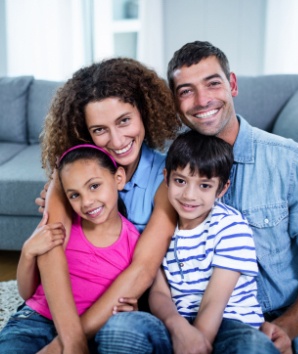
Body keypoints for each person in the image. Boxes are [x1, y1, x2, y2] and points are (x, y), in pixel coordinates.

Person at [165, 41, 298, 354]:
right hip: (191, 324)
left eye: (213, 84)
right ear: (176, 103)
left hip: (272, 322)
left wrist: (287, 328)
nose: (202, 100)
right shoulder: (168, 167)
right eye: (186, 90)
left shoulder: (292, 161)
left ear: (232, 85)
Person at [31, 58, 180, 353]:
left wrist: (68, 343)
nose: (117, 140)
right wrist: (69, 336)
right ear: (86, 131)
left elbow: (143, 268)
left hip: (121, 311)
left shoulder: (168, 178)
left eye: (124, 121)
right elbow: (50, 249)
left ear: (144, 113)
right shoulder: (68, 175)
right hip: (56, 310)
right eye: (100, 130)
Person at [0, 144, 140, 353]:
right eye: (74, 195)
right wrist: (28, 253)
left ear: (118, 178)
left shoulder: (134, 242)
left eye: (94, 186)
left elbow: (128, 296)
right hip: (36, 321)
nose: (87, 202)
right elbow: (27, 292)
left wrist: (132, 310)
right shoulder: (61, 230)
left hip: (91, 331)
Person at [149, 130, 267, 353]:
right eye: (180, 181)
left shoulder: (230, 226)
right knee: (132, 328)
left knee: (251, 345)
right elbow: (159, 292)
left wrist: (196, 343)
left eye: (204, 185)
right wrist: (179, 328)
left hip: (230, 323)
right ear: (166, 178)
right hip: (179, 324)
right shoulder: (161, 228)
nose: (189, 195)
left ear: (222, 189)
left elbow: (215, 302)